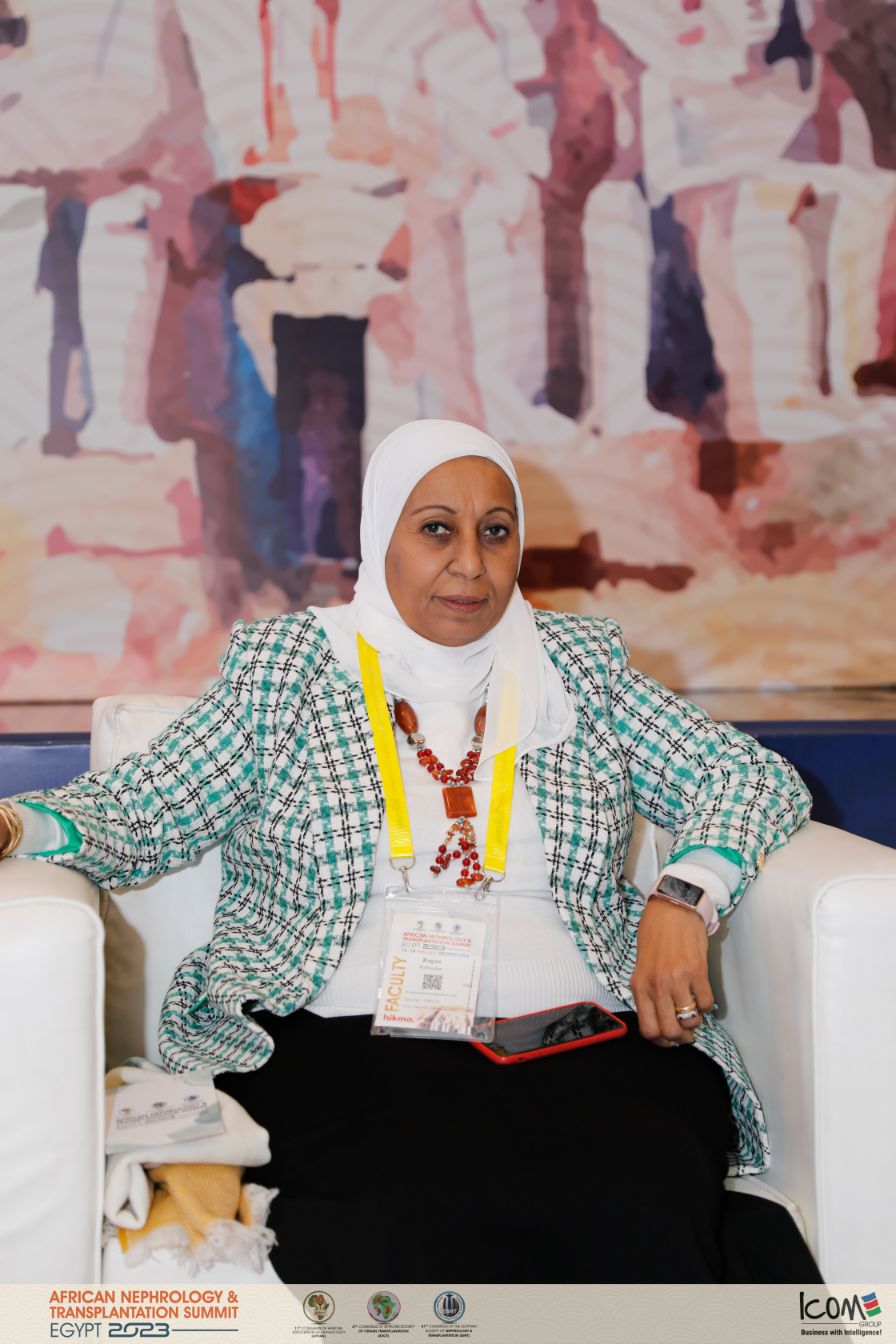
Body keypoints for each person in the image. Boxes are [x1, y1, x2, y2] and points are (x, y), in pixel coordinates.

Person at [0, 419, 821, 1284]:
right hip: (345, 1041)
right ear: (379, 535)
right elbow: (145, 807)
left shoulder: (580, 667)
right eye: (436, 529)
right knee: (399, 1216)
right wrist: (17, 827)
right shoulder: (288, 669)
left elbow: (746, 776)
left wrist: (685, 895)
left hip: (586, 1039)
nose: (471, 563)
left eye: (495, 532)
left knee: (636, 1200)